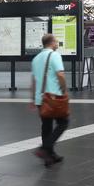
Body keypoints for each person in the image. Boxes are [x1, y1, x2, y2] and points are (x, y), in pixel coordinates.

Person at [31, 34, 68, 167]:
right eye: (57, 41)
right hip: (53, 97)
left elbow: (34, 81)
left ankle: (50, 156)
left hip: (40, 98)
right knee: (63, 122)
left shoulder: (35, 59)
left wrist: (32, 99)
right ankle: (44, 148)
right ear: (51, 43)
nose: (58, 43)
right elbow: (60, 75)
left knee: (46, 126)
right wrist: (64, 90)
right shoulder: (54, 55)